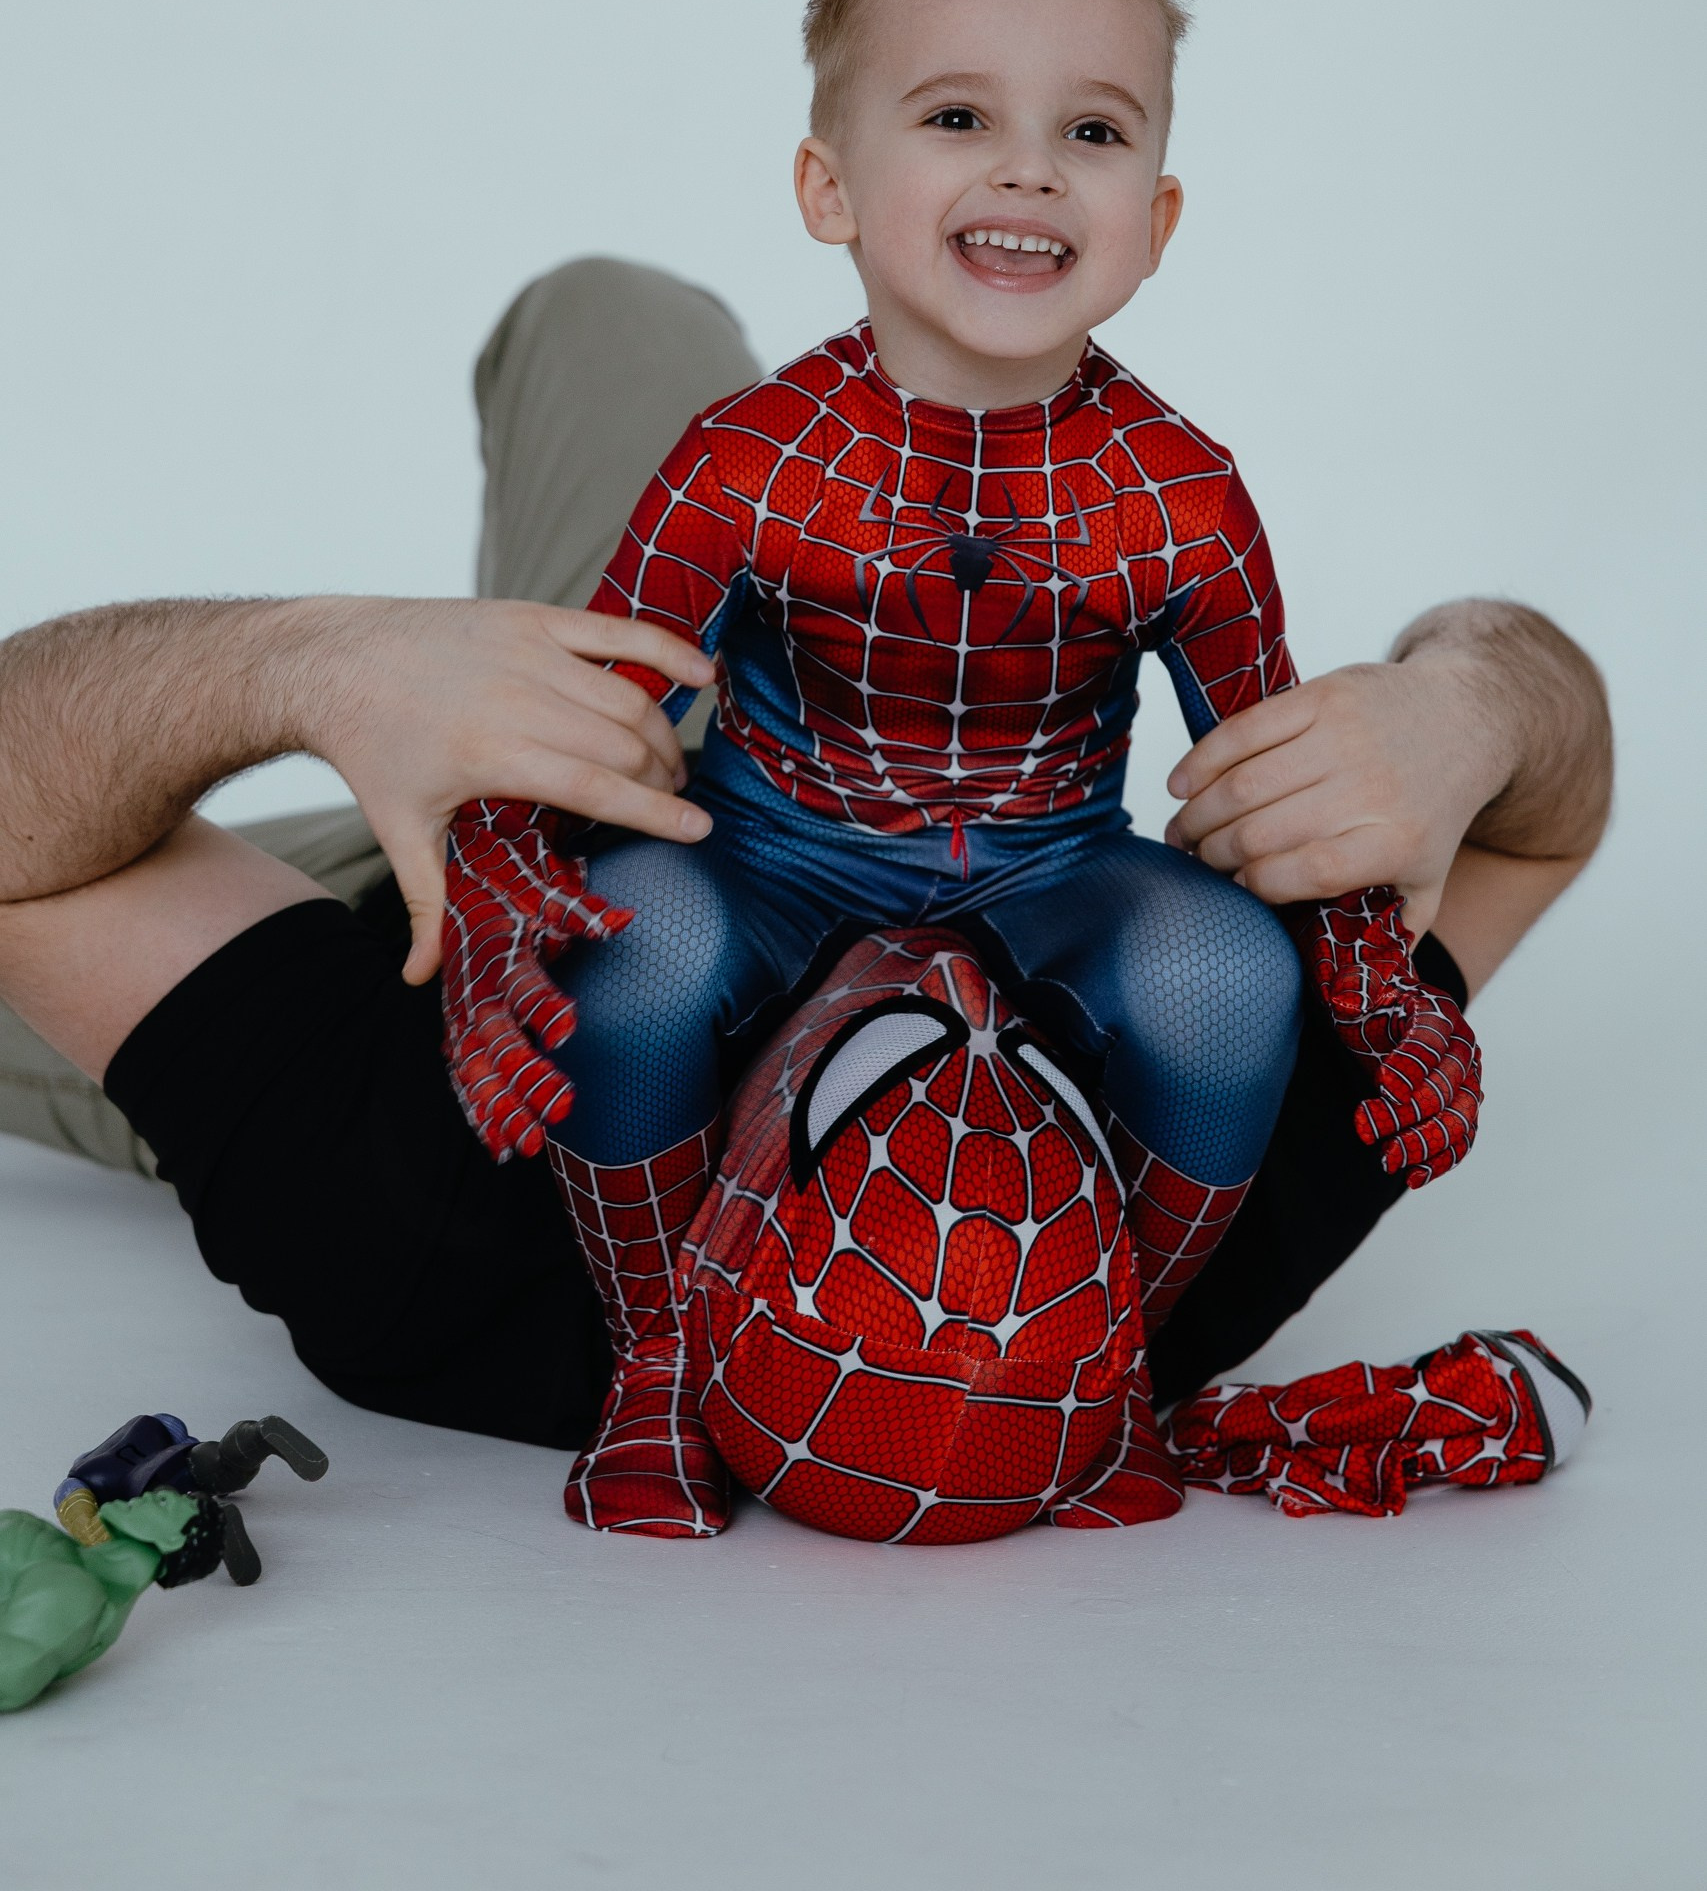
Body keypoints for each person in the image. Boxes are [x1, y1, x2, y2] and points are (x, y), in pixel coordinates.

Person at [0, 268, 1609, 1465]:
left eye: (876, 1117)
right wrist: (1467, 709)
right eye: (1031, 1115)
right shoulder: (1227, 1165)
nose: (955, 1022)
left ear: (723, 1243)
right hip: (754, 728)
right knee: (621, 315)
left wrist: (321, 666)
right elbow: (1558, 808)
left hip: (434, 945)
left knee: (592, 323)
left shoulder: (425, 1237)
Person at [432, 0, 1579, 1535]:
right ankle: (664, 1362)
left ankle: (1107, 1385)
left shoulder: (1181, 494)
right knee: (640, 944)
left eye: (1091, 132)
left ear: (1157, 218)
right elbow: (582, 722)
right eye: (959, 115)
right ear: (830, 186)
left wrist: (1377, 990)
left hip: (1051, 861)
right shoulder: (749, 458)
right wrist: (495, 912)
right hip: (773, 848)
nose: (1030, 168)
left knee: (1223, 972)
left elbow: (1274, 786)